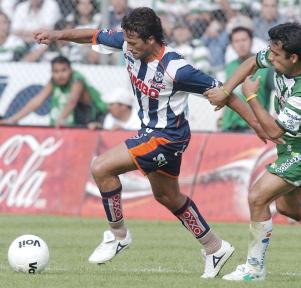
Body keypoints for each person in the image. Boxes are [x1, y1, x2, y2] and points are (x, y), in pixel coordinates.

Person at [33, 7, 270, 278]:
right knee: (167, 196)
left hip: (166, 137)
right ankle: (214, 247)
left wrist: (255, 124)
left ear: (151, 40)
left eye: (134, 43)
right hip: (154, 131)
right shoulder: (127, 42)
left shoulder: (177, 69)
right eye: (126, 40)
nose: (128, 47)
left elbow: (226, 94)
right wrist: (56, 35)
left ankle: (118, 235)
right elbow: (92, 35)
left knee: (101, 168)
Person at [205, 22, 301, 281]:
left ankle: (254, 268)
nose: (269, 57)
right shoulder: (287, 56)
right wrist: (226, 90)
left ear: (293, 57)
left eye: (275, 54)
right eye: (270, 51)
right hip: (294, 145)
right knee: (289, 206)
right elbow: (251, 62)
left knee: (258, 196)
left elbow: (274, 132)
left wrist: (250, 96)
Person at [0, 55, 107, 127]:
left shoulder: (77, 80)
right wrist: (13, 120)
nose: (60, 75)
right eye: (56, 71)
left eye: (63, 70)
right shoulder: (54, 81)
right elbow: (37, 101)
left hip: (93, 117)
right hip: (75, 119)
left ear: (71, 70)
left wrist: (59, 121)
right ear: (51, 72)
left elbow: (72, 102)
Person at [221, 26, 273, 132]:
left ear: (252, 42)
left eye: (244, 40)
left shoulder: (266, 67)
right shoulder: (229, 67)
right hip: (228, 126)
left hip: (254, 127)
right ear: (232, 45)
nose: (241, 44)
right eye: (236, 41)